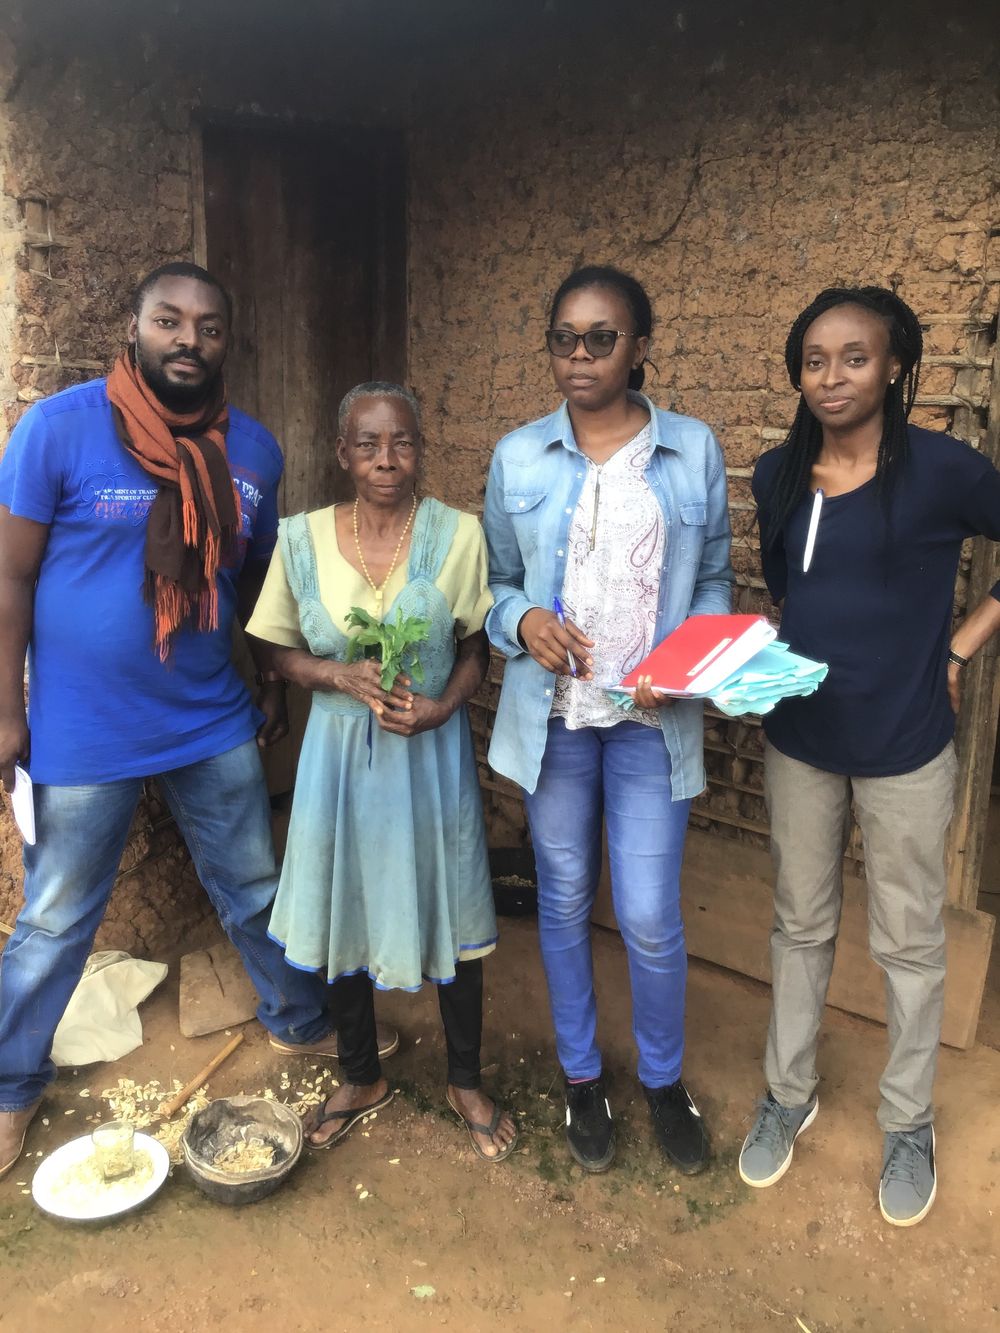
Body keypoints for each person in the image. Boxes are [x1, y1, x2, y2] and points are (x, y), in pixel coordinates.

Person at [0, 262, 394, 1183]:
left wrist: (270, 679)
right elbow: (10, 577)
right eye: (169, 321)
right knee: (57, 918)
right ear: (134, 328)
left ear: (227, 343)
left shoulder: (252, 451)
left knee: (254, 881)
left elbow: (252, 580)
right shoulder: (56, 429)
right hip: (84, 727)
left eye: (209, 328)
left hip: (208, 713)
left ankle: (298, 1017)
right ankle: (10, 1086)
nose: (188, 340)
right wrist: (5, 710)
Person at [739, 286, 1000, 1227]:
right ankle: (788, 1092)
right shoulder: (778, 473)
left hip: (904, 745)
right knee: (800, 925)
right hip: (802, 741)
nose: (833, 376)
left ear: (894, 366)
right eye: (815, 360)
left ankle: (907, 1121)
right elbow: (790, 595)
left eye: (855, 357)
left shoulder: (943, 470)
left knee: (909, 942)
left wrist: (959, 648)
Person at [483, 266, 733, 1174]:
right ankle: (581, 1076)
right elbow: (495, 583)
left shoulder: (691, 450)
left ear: (640, 347)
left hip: (648, 723)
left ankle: (663, 1080)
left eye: (602, 337)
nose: (580, 355)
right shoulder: (518, 457)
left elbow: (715, 580)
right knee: (561, 896)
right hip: (554, 718)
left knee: (650, 913)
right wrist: (522, 621)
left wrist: (686, 660)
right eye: (565, 338)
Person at [246, 381, 518, 1161]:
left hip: (427, 751)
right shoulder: (300, 540)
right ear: (343, 453)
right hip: (335, 756)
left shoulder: (457, 535)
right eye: (368, 444)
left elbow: (476, 649)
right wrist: (334, 675)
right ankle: (361, 1074)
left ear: (419, 449)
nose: (386, 459)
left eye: (401, 442)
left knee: (451, 905)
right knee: (344, 905)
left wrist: (442, 707)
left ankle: (464, 1078)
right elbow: (272, 647)